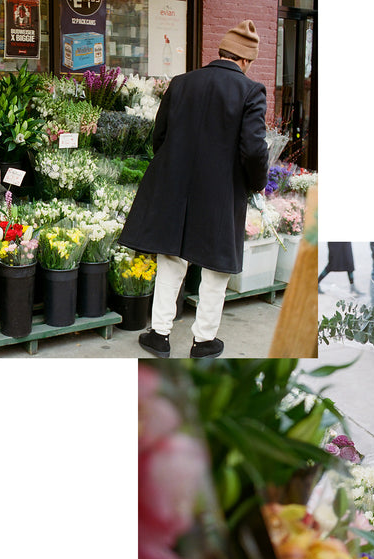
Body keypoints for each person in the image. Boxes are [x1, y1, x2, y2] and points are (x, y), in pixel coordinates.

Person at [118, 20, 269, 359]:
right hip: (221, 192)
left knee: (172, 259)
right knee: (216, 268)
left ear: (222, 52)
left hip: (176, 186)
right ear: (245, 60)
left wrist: (173, 168)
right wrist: (255, 185)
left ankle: (159, 335)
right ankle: (203, 341)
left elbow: (159, 135)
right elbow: (255, 150)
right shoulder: (250, 91)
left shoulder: (182, 83)